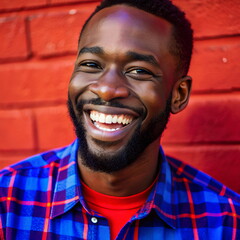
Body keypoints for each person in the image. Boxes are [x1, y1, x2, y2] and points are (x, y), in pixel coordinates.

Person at [0, 0, 239, 239]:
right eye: (91, 64)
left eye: (139, 70)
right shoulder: (7, 203)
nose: (106, 89)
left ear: (179, 95)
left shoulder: (226, 221)